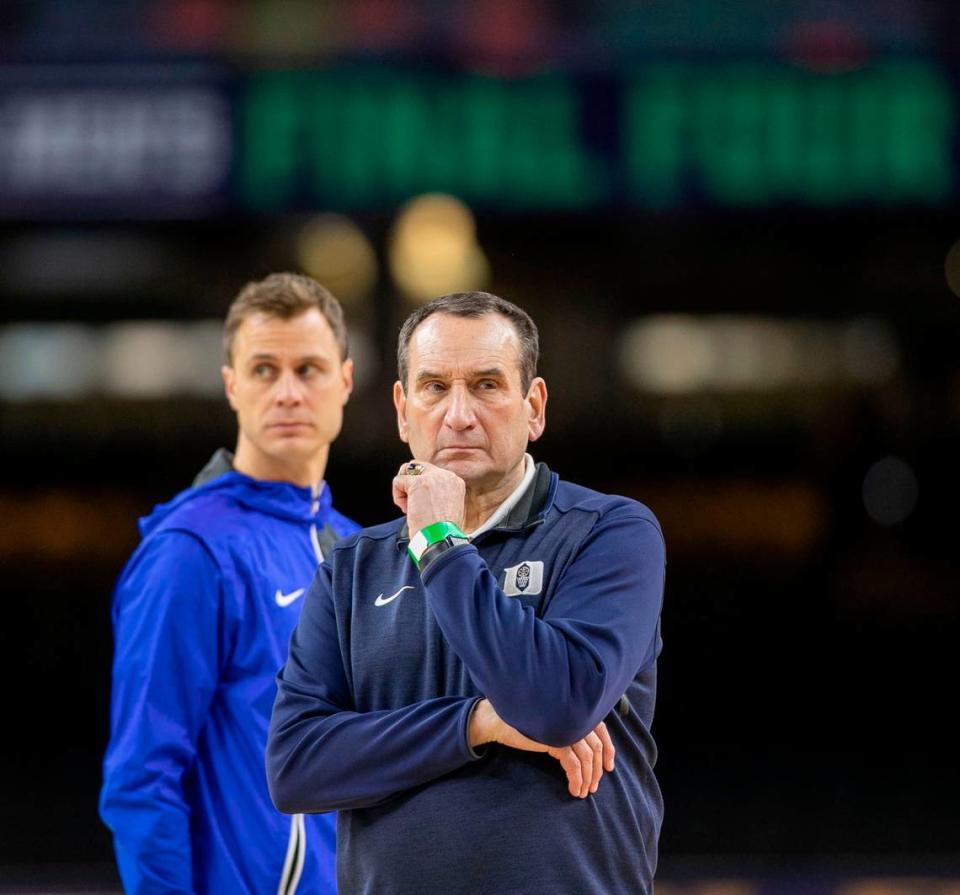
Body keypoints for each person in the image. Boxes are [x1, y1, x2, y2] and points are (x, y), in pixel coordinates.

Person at [266, 291, 666, 894]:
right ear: (402, 411)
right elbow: (295, 767)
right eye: (433, 387)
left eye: (486, 385)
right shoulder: (349, 568)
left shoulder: (609, 533)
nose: (458, 415)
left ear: (533, 407)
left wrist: (440, 543)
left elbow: (557, 706)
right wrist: (477, 723)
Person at [100, 273, 359, 894]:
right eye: (265, 370)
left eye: (309, 369)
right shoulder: (190, 552)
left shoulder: (358, 549)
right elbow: (142, 778)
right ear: (231, 386)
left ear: (345, 381)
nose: (288, 393)